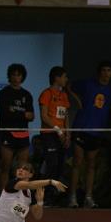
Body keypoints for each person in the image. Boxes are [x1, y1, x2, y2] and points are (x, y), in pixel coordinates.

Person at [67, 61, 111, 208]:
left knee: (91, 165)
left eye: (109, 71)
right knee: (77, 162)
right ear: (99, 72)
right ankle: (72, 197)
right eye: (104, 70)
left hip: (96, 132)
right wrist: (77, 101)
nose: (106, 73)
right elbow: (69, 86)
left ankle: (88, 197)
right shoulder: (87, 84)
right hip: (81, 128)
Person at [0, 63, 35, 191]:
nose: (16, 77)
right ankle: (3, 197)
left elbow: (32, 116)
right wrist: (23, 114)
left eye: (18, 75)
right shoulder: (4, 93)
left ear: (22, 77)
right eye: (13, 75)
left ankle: (20, 197)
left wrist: (16, 112)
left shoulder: (27, 95)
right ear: (9, 76)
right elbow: (5, 114)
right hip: (8, 133)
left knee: (22, 169)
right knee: (5, 167)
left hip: (23, 134)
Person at [38, 66, 71, 206]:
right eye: (64, 76)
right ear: (57, 78)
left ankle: (51, 198)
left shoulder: (64, 95)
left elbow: (66, 116)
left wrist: (68, 134)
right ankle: (41, 196)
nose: (66, 79)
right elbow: (44, 116)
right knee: (51, 165)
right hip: (49, 134)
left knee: (60, 167)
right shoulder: (46, 93)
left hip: (62, 136)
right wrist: (58, 130)